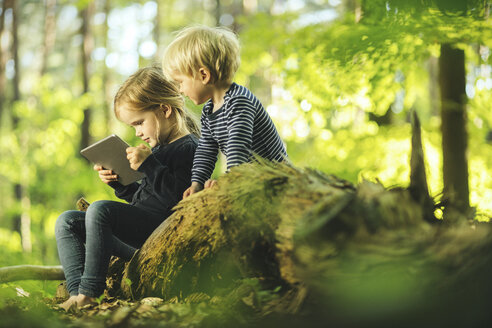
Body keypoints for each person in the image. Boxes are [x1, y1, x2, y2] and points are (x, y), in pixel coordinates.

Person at [55, 66, 199, 310]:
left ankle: (90, 293)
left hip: (158, 238)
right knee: (67, 221)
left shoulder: (190, 148)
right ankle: (76, 292)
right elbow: (144, 201)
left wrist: (150, 165)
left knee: (99, 210)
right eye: (133, 127)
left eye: (139, 122)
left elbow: (176, 202)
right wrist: (118, 184)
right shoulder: (159, 151)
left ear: (165, 109)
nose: (138, 132)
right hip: (140, 235)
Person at [162, 25, 288, 198]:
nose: (180, 90)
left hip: (276, 177)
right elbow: (206, 149)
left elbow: (238, 147)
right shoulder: (209, 111)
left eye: (181, 82)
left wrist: (228, 182)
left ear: (204, 75)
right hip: (251, 177)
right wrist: (197, 183)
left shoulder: (239, 102)